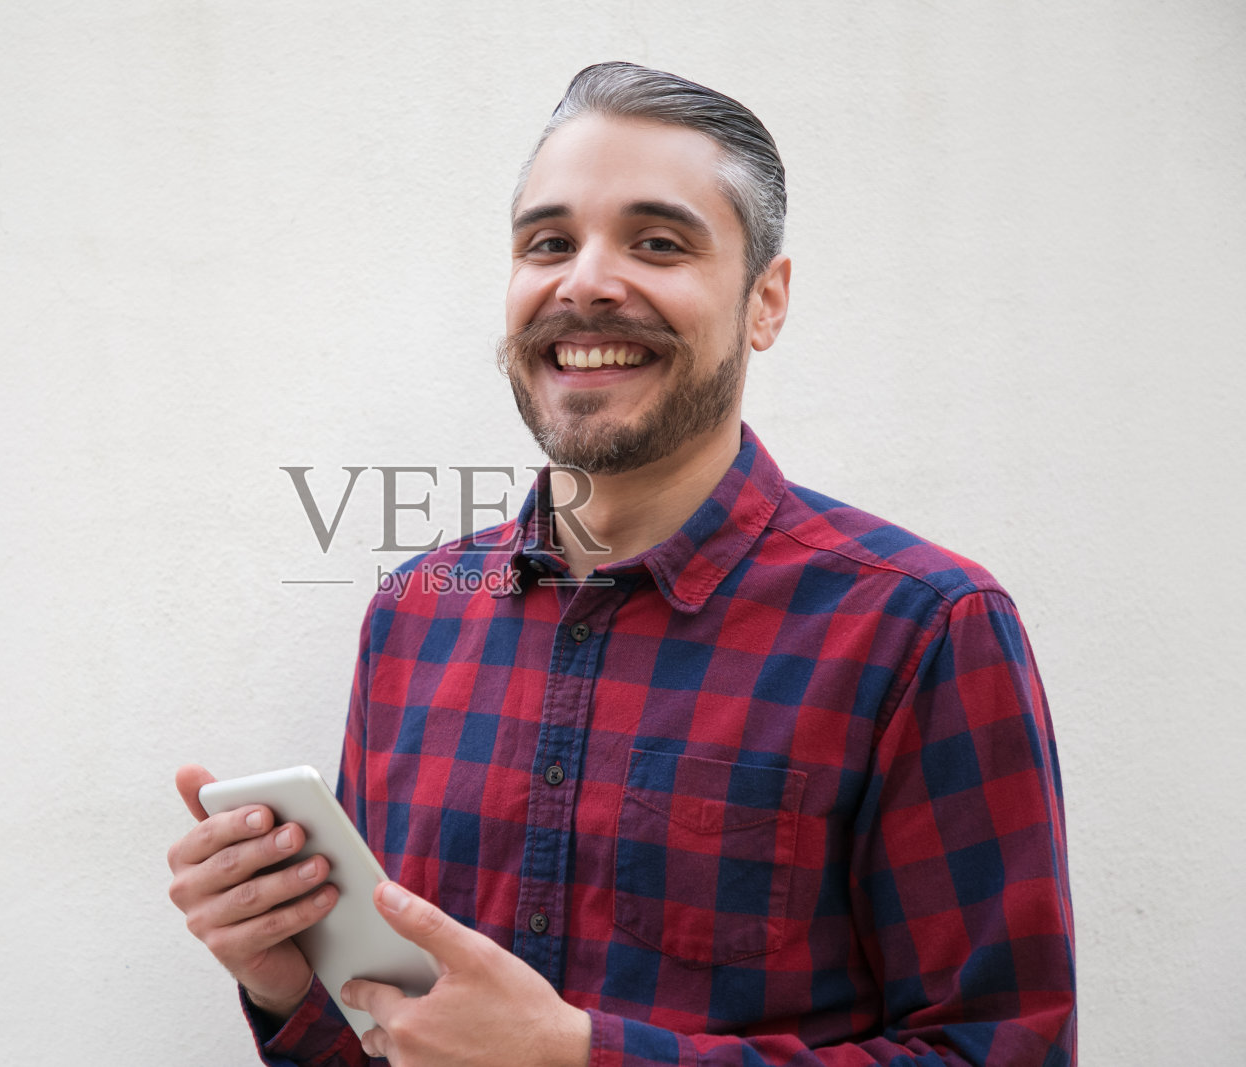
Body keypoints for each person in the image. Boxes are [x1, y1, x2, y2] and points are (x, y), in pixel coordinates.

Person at [167, 61, 1075, 1066]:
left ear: (764, 302)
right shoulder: (414, 616)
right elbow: (398, 1043)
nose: (585, 280)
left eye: (657, 242)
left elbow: (1002, 1052)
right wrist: (289, 981)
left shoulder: (921, 628)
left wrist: (577, 1054)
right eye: (547, 242)